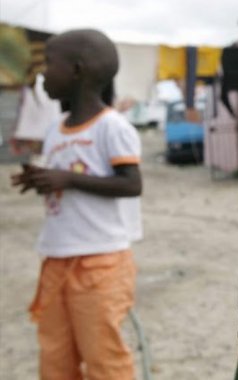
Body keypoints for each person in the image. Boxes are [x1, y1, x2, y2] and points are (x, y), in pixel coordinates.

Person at [10, 29, 142, 380]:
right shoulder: (55, 130)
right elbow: (64, 178)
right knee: (55, 355)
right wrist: (41, 180)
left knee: (102, 356)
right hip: (56, 257)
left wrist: (66, 179)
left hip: (100, 263)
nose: (41, 74)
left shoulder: (112, 127)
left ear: (77, 70)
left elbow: (131, 184)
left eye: (48, 64)